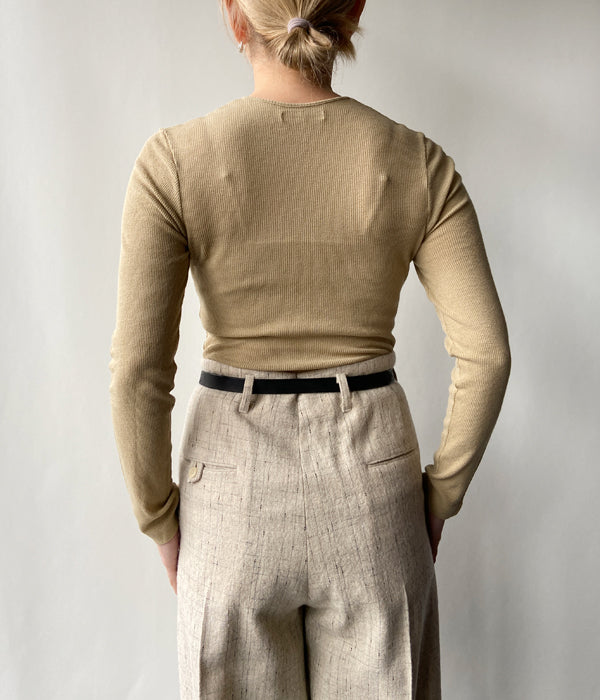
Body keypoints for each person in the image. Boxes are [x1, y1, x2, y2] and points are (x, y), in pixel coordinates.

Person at [108, 0, 511, 697]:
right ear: (352, 11)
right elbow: (488, 355)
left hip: (230, 499)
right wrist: (440, 496)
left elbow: (137, 373)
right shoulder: (416, 162)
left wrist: (159, 518)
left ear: (235, 17)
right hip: (373, 492)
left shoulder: (173, 162)